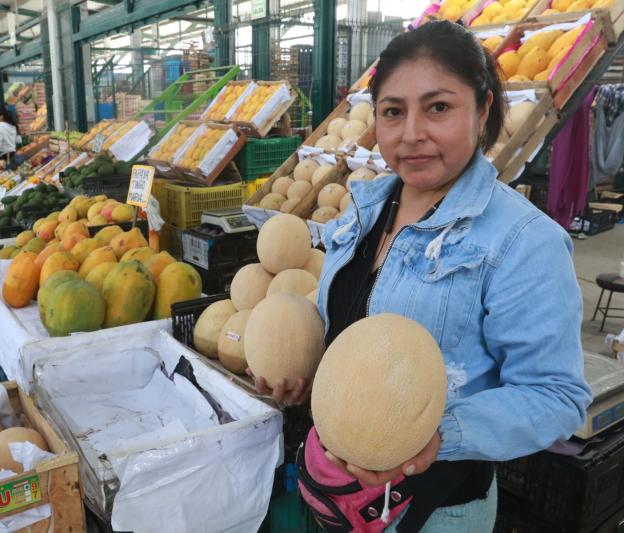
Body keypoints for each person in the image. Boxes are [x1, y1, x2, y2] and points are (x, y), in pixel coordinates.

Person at [250, 21, 591, 532]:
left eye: (438, 107)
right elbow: (351, 338)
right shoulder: (362, 212)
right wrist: (307, 378)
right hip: (339, 494)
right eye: (393, 112)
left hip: (437, 510)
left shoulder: (522, 241)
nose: (411, 134)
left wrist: (439, 437)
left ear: (482, 111)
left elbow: (557, 396)